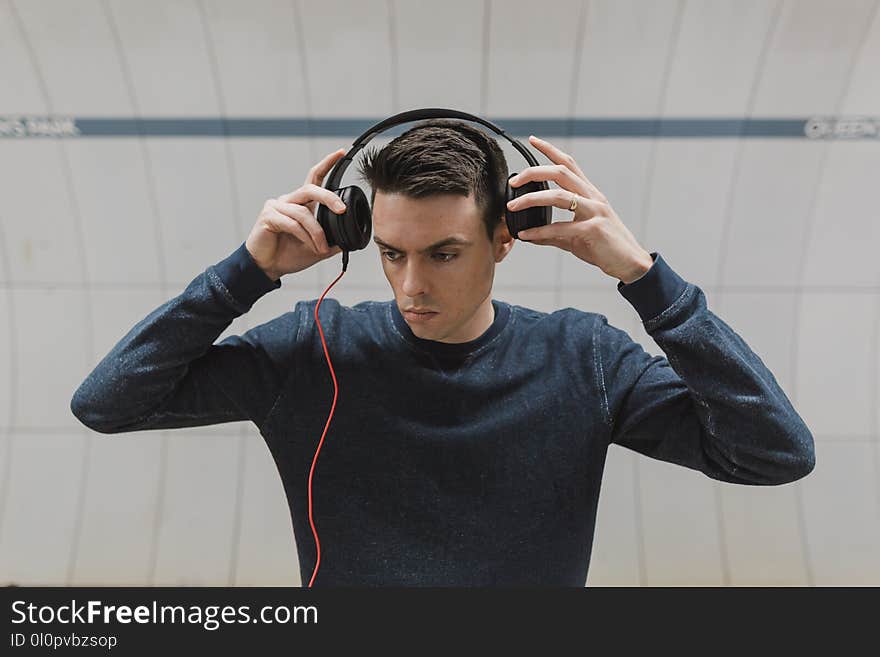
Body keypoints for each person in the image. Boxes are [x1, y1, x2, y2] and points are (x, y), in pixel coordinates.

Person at [70, 119, 816, 586]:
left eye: (445, 253)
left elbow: (774, 451)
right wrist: (245, 271)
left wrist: (645, 279)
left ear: (504, 238)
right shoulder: (315, 348)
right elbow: (107, 401)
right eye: (391, 253)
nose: (411, 285)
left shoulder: (581, 358)